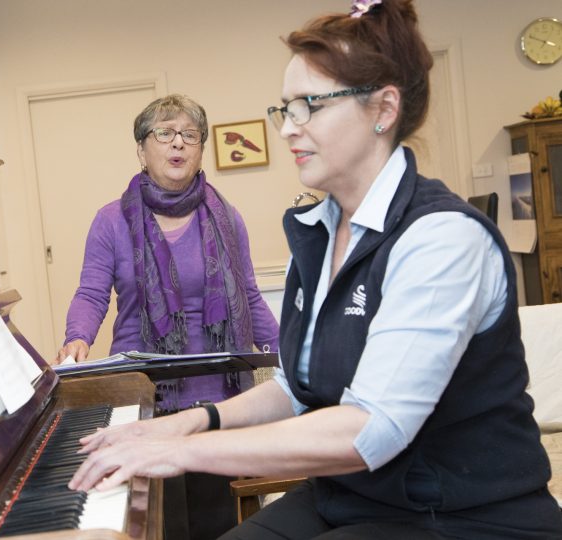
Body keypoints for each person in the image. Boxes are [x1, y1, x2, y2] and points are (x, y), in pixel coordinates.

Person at [67, 1, 562, 539]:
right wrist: (193, 420)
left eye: (309, 106)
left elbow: (370, 430)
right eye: (286, 109)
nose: (287, 129)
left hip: (457, 513)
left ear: (383, 109)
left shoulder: (443, 238)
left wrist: (183, 449)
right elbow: (296, 386)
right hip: (348, 493)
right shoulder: (319, 230)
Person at [56, 93, 280, 538]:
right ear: (142, 148)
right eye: (164, 133)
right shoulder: (111, 220)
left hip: (218, 397)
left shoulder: (226, 217)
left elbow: (250, 296)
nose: (178, 144)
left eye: (190, 135)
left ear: (200, 150)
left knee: (217, 522)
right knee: (160, 523)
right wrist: (76, 337)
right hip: (144, 396)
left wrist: (288, 353)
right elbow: (91, 291)